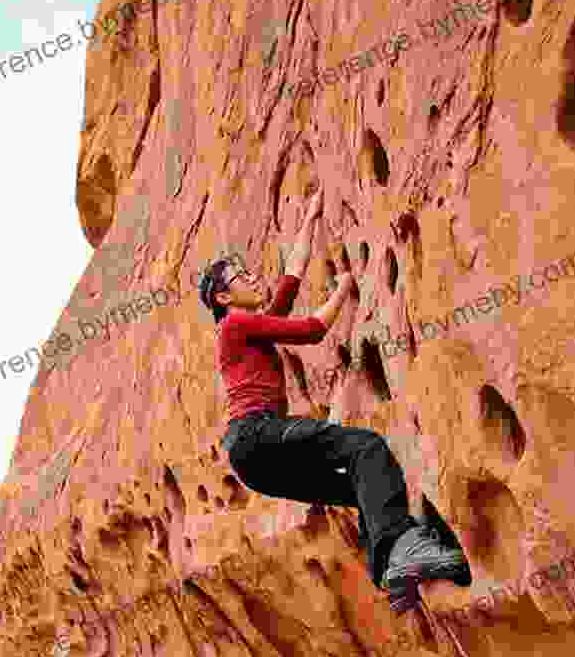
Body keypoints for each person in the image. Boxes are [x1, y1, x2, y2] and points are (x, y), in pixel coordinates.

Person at [198, 190, 471, 612]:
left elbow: (291, 274)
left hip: (252, 459)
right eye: (241, 277)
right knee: (366, 448)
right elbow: (312, 330)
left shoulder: (248, 326)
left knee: (360, 489)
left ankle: (398, 580)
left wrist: (309, 218)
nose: (252, 278)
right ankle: (403, 553)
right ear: (223, 298)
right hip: (257, 433)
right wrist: (344, 287)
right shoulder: (234, 325)